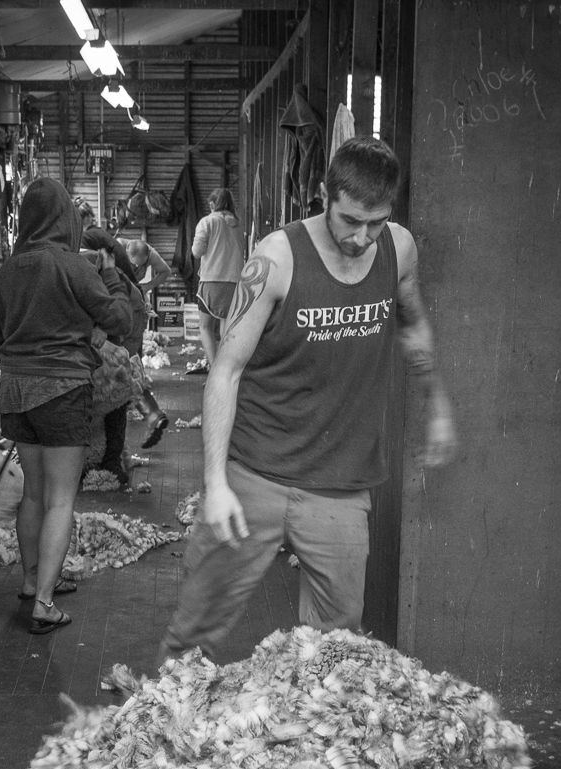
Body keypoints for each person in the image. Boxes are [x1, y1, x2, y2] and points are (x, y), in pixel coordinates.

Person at [159, 136, 458, 665]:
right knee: (195, 631)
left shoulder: (400, 248)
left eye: (376, 222)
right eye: (349, 221)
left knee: (332, 650)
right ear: (323, 196)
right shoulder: (276, 258)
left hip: (341, 485)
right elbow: (225, 371)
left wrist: (437, 404)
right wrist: (215, 483)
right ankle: (161, 726)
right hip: (255, 471)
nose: (362, 238)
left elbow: (412, 327)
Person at [0, 177, 133, 634]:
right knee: (60, 500)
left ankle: (33, 582)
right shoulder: (72, 266)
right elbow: (120, 319)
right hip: (62, 391)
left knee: (33, 492)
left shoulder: (7, 272)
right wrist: (108, 271)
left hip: (14, 393)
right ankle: (45, 604)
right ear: (65, 219)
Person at [75, 199, 169, 450]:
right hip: (131, 301)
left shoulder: (85, 241)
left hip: (124, 304)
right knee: (127, 369)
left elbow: (100, 281)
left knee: (119, 372)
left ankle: (118, 448)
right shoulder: (98, 235)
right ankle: (151, 417)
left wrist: (104, 326)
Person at [191, 188, 246, 367]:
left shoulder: (207, 222)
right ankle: (225, 369)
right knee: (225, 329)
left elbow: (197, 252)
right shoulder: (238, 224)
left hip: (212, 281)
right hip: (235, 282)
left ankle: (214, 368)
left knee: (205, 327)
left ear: (213, 205)